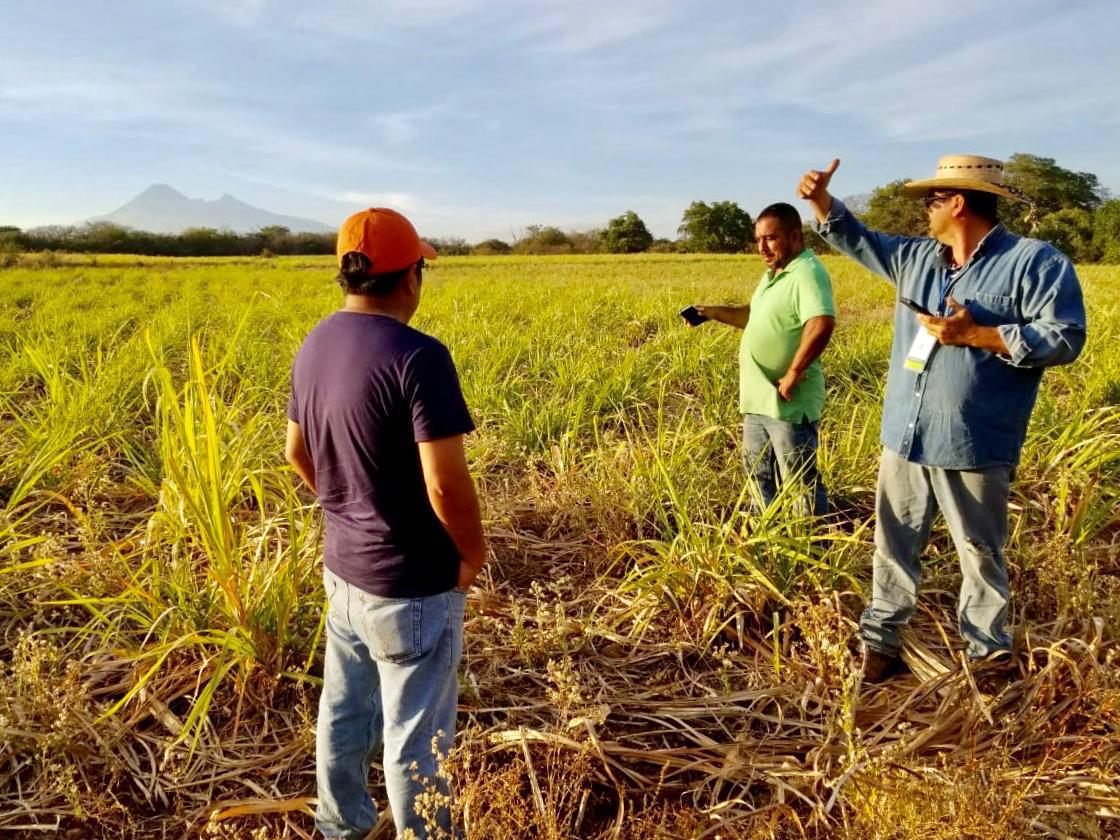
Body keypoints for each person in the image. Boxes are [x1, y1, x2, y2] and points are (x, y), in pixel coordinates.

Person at [798, 155, 1086, 681]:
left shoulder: (1034, 262)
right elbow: (858, 239)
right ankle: (881, 646)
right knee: (892, 545)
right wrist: (820, 201)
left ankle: (988, 656)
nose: (925, 210)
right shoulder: (916, 258)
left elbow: (1066, 336)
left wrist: (976, 335)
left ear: (958, 202)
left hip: (974, 439)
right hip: (905, 434)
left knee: (979, 552)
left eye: (932, 200)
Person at [285, 208, 485, 838]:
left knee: (343, 711)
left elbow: (295, 451)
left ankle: (340, 827)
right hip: (411, 584)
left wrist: (349, 503)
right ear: (410, 278)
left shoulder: (315, 342)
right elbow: (444, 482)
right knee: (414, 735)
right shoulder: (419, 356)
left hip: (342, 572)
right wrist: (471, 553)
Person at [691, 202, 836, 517]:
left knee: (799, 481)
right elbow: (753, 316)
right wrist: (713, 312)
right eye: (758, 239)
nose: (762, 247)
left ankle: (812, 551)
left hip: (787, 400)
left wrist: (794, 371)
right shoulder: (773, 275)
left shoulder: (807, 272)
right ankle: (768, 541)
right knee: (759, 477)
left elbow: (821, 321)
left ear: (795, 236)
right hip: (757, 400)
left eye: (770, 238)